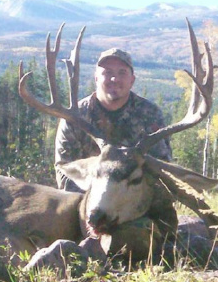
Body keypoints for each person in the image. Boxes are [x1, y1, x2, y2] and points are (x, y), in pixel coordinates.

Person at [54, 48, 178, 260]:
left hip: (134, 204)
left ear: (132, 80)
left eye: (122, 73)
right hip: (87, 205)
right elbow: (64, 169)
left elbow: (160, 173)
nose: (114, 78)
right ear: (96, 78)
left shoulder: (149, 114)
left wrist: (128, 207)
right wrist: (96, 206)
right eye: (107, 72)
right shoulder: (75, 117)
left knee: (152, 238)